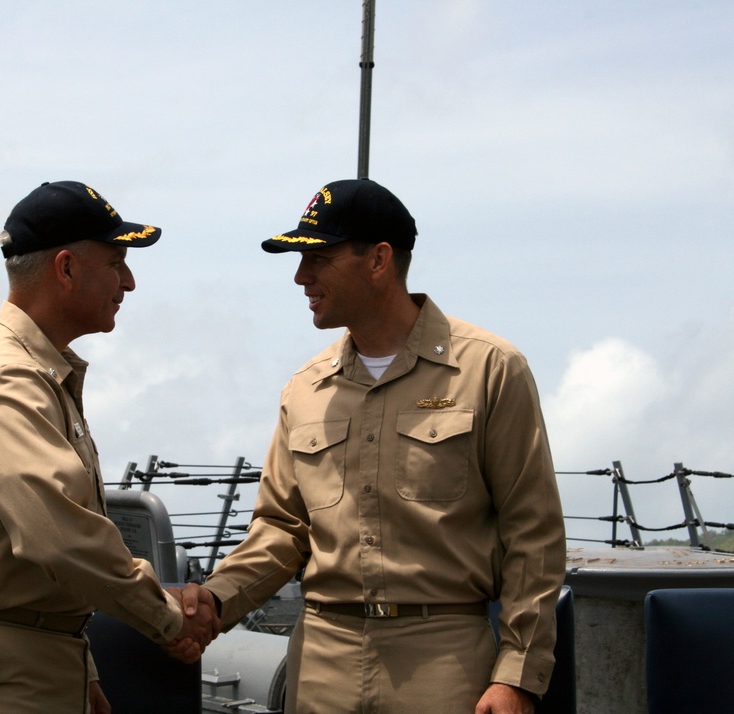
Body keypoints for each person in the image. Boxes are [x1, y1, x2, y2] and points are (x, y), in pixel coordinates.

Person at [178, 179, 566, 713]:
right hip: (321, 664)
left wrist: (517, 676)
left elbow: (533, 534)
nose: (301, 276)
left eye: (319, 258)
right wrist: (217, 599)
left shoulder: (490, 370)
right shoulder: (305, 389)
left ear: (379, 260)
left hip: (444, 661)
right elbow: (282, 529)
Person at [0, 181, 219, 714]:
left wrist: (73, 665)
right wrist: (168, 616)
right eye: (116, 262)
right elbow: (61, 537)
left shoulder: (35, 374)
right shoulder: (3, 378)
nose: (129, 282)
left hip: (21, 665)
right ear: (65, 269)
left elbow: (36, 570)